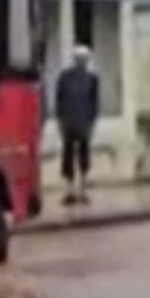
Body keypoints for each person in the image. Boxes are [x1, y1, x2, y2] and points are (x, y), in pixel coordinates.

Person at [55, 44, 100, 206]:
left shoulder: (92, 79)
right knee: (67, 156)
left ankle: (82, 190)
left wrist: (92, 123)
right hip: (69, 122)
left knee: (84, 156)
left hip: (84, 122)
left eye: (84, 59)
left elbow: (95, 103)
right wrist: (60, 122)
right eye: (79, 58)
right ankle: (69, 190)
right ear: (74, 60)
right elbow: (59, 101)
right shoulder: (64, 77)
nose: (81, 61)